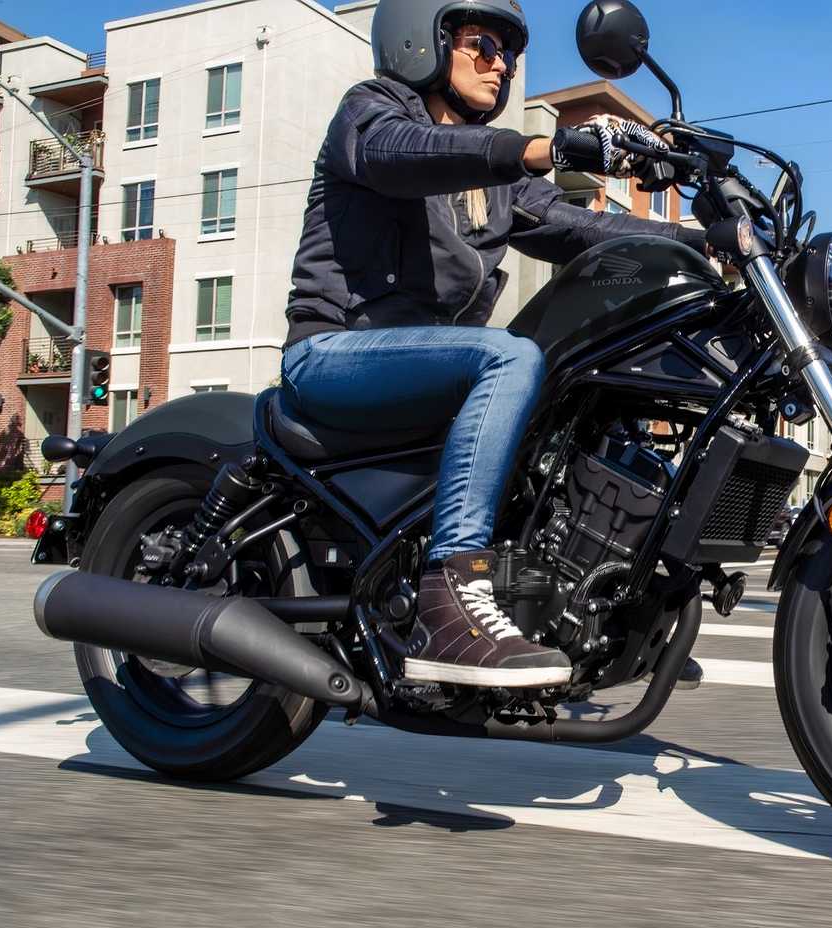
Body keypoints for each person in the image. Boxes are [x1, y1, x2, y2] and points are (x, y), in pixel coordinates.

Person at [281, 0, 710, 687]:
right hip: (334, 354)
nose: (499, 62)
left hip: (423, 371)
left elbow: (581, 229)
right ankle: (452, 598)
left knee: (577, 395)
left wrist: (709, 242)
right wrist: (541, 147)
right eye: (482, 43)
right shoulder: (373, 113)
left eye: (508, 51)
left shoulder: (495, 182)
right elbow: (403, 156)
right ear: (423, 41)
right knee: (511, 354)